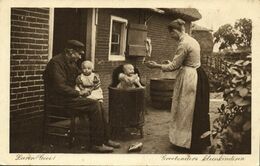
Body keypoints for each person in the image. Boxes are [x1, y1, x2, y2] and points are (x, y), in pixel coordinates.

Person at [146, 19, 211, 153]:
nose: (172, 38)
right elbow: (184, 61)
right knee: (194, 109)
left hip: (190, 78)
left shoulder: (183, 43)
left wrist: (156, 65)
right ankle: (196, 141)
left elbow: (174, 66)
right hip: (197, 74)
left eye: (172, 35)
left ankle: (186, 142)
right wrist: (172, 62)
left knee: (185, 110)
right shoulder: (192, 40)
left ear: (175, 31)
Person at [44, 40, 120, 153]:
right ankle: (96, 144)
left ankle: (105, 138)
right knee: (94, 105)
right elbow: (59, 87)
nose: (80, 57)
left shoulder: (71, 62)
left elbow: (81, 75)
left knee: (99, 103)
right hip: (59, 98)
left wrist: (93, 77)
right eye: (78, 54)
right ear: (70, 52)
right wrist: (79, 93)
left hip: (70, 96)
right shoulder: (56, 63)